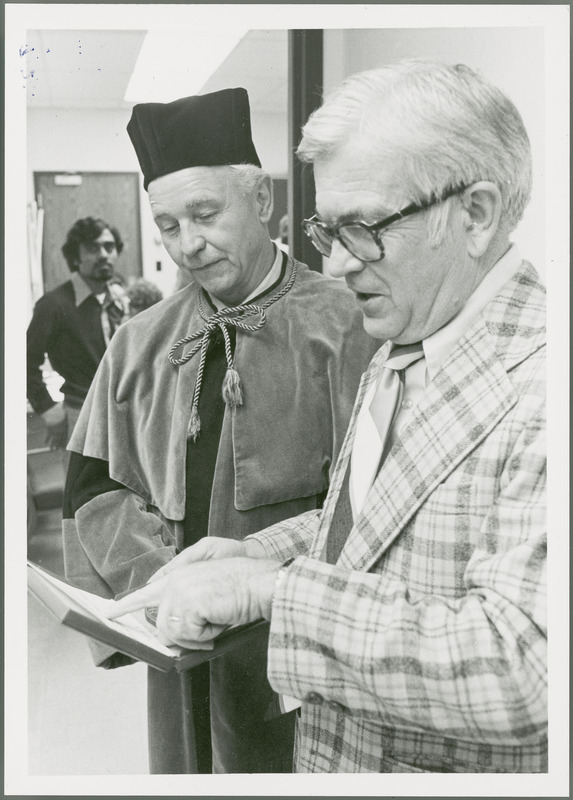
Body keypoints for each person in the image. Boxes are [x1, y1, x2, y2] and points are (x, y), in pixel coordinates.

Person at [109, 61, 547, 774]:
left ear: (474, 212)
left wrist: (271, 589)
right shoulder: (409, 334)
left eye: (364, 228)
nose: (340, 264)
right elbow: (369, 520)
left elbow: (526, 665)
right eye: (328, 230)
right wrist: (262, 551)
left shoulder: (541, 386)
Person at [62, 88, 376, 773]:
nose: (188, 244)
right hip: (174, 636)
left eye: (205, 214)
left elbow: (376, 503)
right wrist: (160, 594)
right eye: (168, 225)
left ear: (259, 199)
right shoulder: (141, 341)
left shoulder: (346, 323)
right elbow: (93, 484)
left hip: (292, 638)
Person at [27, 217, 128, 448]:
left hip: (123, 413)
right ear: (75, 257)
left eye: (109, 247)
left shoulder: (118, 301)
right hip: (81, 415)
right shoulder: (54, 304)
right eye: (93, 248)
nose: (103, 254)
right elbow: (23, 361)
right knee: (83, 484)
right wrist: (47, 408)